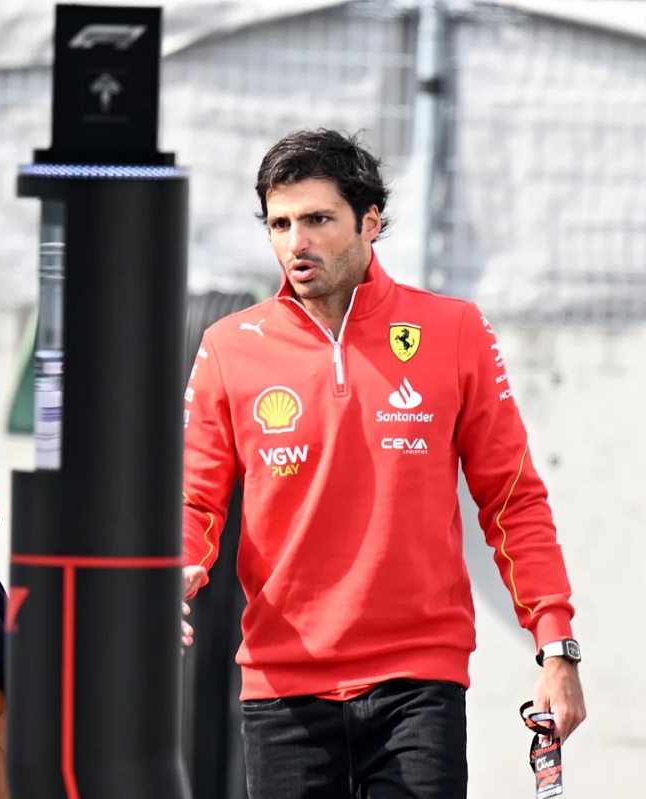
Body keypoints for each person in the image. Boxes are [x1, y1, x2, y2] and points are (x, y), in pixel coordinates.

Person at [179, 129, 585, 798]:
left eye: (317, 219)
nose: (295, 242)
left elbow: (512, 499)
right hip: (283, 689)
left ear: (371, 221)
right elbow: (193, 500)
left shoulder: (454, 331)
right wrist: (173, 576)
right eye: (280, 223)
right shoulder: (229, 347)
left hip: (419, 683)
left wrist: (556, 644)